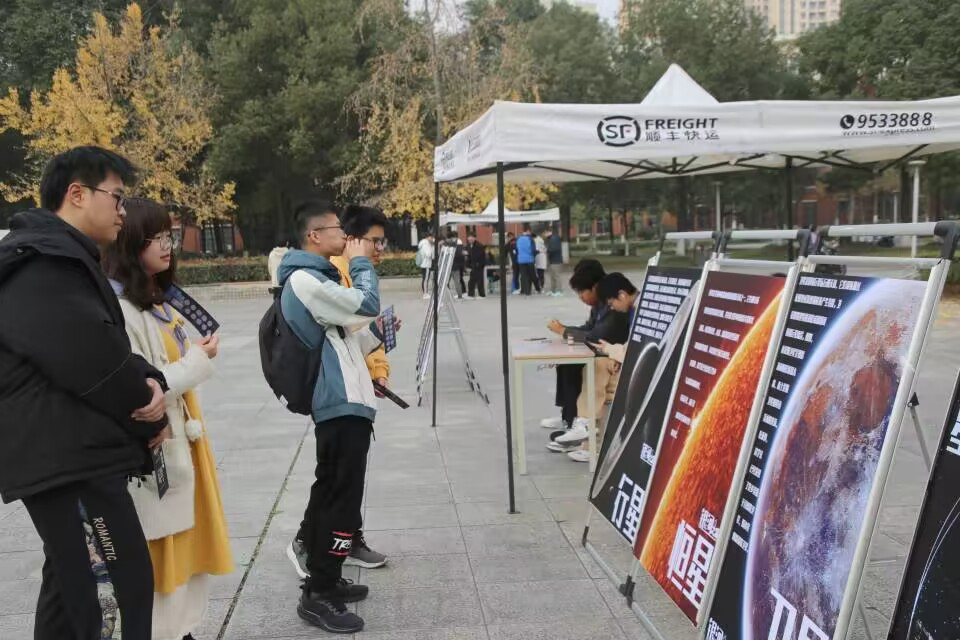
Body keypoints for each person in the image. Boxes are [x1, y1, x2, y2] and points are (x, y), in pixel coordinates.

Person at [0, 146, 170, 639]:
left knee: (69, 586)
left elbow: (100, 342)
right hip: (68, 456)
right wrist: (150, 412)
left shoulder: (57, 258)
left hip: (66, 452)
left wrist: (147, 375)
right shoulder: (42, 264)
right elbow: (93, 361)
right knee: (118, 590)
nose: (122, 212)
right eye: (116, 198)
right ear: (77, 194)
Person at [103, 199, 233, 640]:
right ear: (129, 243)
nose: (167, 245)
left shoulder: (157, 300)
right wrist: (197, 360)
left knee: (189, 543)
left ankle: (183, 629)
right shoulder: (122, 309)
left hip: (186, 440)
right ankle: (164, 631)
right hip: (159, 447)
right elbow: (142, 392)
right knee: (163, 547)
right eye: (155, 237)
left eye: (169, 236)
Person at [276, 201, 384, 634]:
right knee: (340, 498)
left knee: (333, 493)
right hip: (337, 405)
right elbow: (366, 304)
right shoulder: (303, 279)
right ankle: (318, 592)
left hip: (347, 404)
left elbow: (347, 335)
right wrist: (361, 264)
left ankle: (327, 577)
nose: (346, 236)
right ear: (314, 236)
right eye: (338, 229)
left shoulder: (317, 278)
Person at [542, 260, 629, 449]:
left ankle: (575, 424)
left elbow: (597, 337)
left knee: (574, 365)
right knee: (566, 362)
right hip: (603, 352)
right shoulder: (600, 304)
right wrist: (566, 330)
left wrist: (565, 331)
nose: (581, 297)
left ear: (595, 286)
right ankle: (568, 417)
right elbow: (589, 328)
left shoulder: (613, 304)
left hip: (611, 357)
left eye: (582, 292)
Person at [516, 225, 540, 296]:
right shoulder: (530, 239)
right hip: (529, 259)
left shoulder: (518, 239)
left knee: (524, 276)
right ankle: (538, 288)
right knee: (532, 275)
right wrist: (536, 253)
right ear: (528, 231)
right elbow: (533, 250)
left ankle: (527, 291)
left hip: (521, 260)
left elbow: (517, 249)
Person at [466, 232, 486, 299]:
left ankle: (482, 295)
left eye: (471, 238)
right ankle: (471, 294)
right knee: (471, 281)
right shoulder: (469, 245)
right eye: (469, 239)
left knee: (479, 280)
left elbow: (479, 257)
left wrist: (477, 264)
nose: (470, 240)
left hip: (479, 265)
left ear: (474, 238)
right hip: (473, 266)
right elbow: (469, 256)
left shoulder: (479, 245)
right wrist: (468, 266)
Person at [447, 230, 467, 299]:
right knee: (457, 281)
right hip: (456, 265)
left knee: (455, 281)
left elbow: (459, 254)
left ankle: (459, 294)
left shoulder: (456, 244)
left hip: (453, 265)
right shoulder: (458, 243)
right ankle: (460, 295)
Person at [544, 228, 564, 296]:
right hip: (552, 261)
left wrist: (547, 250)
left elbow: (553, 249)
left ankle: (559, 291)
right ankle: (553, 290)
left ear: (550, 232)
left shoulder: (554, 239)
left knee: (557, 276)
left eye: (545, 233)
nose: (545, 235)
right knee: (552, 276)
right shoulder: (551, 239)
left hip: (556, 261)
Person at [415, 233, 434, 299]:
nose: (432, 239)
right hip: (426, 264)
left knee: (425, 278)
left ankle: (425, 293)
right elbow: (428, 254)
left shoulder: (422, 243)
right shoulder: (426, 244)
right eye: (431, 237)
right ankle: (425, 294)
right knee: (426, 279)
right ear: (428, 237)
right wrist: (431, 248)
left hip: (423, 264)